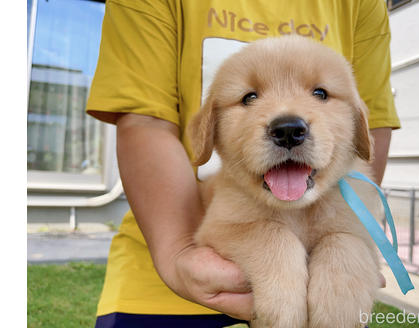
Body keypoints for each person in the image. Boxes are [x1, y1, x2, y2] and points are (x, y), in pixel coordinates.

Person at [86, 0, 400, 326]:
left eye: (320, 93)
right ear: (209, 129)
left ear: (357, 121)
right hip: (156, 292)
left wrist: (349, 253)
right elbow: (144, 122)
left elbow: (377, 122)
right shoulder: (231, 191)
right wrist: (180, 254)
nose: (288, 124)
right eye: (249, 98)